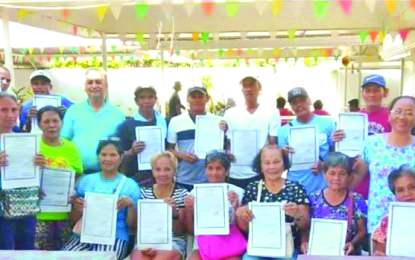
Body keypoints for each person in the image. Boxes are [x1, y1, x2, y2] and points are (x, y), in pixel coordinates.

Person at [62, 139, 140, 259]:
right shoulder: (86, 181)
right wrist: (77, 208)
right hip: (83, 235)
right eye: (103, 154)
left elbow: (132, 227)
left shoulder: (130, 185)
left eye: (113, 155)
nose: (107, 159)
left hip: (115, 237)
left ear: (121, 157)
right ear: (98, 156)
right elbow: (73, 220)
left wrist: (130, 206)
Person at [351, 96, 415, 237]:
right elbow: (355, 177)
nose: (402, 117)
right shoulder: (372, 143)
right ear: (389, 115)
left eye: (409, 113)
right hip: (377, 222)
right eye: (398, 111)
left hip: (411, 222)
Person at [235, 145, 310, 260]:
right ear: (260, 165)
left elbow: (304, 225)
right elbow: (245, 228)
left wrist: (296, 214)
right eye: (267, 162)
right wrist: (240, 213)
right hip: (258, 249)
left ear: (284, 164)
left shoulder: (295, 188)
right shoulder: (252, 188)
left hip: (286, 250)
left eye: (276, 162)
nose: (272, 167)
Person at [333, 75, 392, 200]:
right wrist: (336, 140)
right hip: (358, 179)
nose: (372, 94)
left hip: (382, 180)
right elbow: (341, 152)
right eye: (368, 90)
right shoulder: (352, 119)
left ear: (385, 93)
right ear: (362, 93)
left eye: (376, 90)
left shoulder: (391, 117)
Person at [0, 93, 46, 250]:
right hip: (1, 211)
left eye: (14, 110)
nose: (10, 115)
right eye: (3, 110)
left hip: (24, 205)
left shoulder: (24, 138)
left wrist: (39, 166)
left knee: (25, 250)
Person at [35, 106, 83, 250]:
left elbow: (78, 175)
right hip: (39, 215)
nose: (51, 125)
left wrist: (73, 192)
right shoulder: (34, 145)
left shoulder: (71, 147)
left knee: (63, 254)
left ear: (61, 123)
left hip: (64, 214)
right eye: (46, 121)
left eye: (55, 121)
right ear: (39, 124)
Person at [61, 68, 125, 173]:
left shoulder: (117, 114)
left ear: (106, 85)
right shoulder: (73, 111)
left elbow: (121, 145)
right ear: (84, 86)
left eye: (98, 82)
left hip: (107, 174)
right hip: (78, 173)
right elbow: (63, 141)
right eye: (90, 82)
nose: (94, 86)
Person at [184, 150, 245, 260]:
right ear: (205, 170)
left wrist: (236, 207)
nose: (214, 172)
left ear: (226, 171)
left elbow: (243, 229)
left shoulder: (238, 192)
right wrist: (189, 209)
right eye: (210, 168)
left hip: (229, 246)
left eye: (219, 168)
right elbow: (190, 230)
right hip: (203, 247)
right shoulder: (195, 193)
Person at [223, 76, 281, 189]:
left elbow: (272, 143)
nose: (249, 89)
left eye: (252, 85)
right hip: (235, 171)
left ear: (259, 88)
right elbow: (226, 143)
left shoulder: (272, 112)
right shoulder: (229, 114)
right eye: (245, 86)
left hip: (259, 172)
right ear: (241, 89)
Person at [306, 152, 367, 255]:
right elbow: (306, 227)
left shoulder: (357, 200)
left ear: (349, 176)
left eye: (342, 174)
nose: (336, 178)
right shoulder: (313, 198)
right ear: (324, 174)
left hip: (347, 254)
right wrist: (305, 242)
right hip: (319, 254)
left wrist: (353, 244)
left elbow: (362, 231)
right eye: (332, 173)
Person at [278, 87, 336, 194]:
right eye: (295, 102)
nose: (299, 105)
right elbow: (280, 166)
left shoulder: (328, 123)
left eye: (302, 100)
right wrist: (283, 154)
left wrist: (324, 165)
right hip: (295, 187)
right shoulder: (283, 131)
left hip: (323, 187)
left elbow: (337, 155)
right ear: (291, 106)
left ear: (309, 101)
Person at [131, 151, 188, 260]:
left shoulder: (182, 193)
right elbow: (137, 226)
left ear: (174, 171)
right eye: (157, 169)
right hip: (147, 239)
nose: (162, 174)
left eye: (167, 169)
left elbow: (180, 231)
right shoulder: (143, 193)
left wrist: (174, 214)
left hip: (172, 240)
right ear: (152, 171)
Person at [167, 86, 218, 191]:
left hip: (210, 180)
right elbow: (168, 150)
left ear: (207, 98)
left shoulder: (218, 121)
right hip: (184, 179)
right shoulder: (176, 121)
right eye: (193, 96)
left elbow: (225, 148)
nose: (197, 100)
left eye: (200, 96)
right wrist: (181, 154)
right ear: (187, 99)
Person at [117, 86, 167, 185]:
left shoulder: (164, 122)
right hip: (136, 176)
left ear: (155, 100)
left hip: (161, 176)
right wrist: (132, 151)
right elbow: (120, 155)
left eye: (150, 97)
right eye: (142, 97)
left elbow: (170, 148)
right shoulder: (127, 125)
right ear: (136, 101)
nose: (147, 101)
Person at [372, 165, 415, 256]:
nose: (407, 194)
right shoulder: (386, 221)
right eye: (400, 190)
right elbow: (380, 253)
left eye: (412, 187)